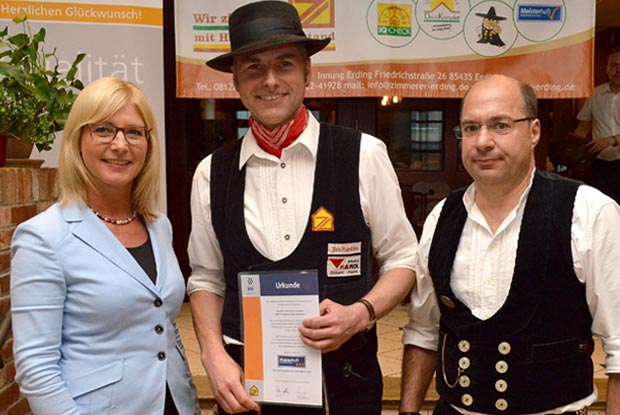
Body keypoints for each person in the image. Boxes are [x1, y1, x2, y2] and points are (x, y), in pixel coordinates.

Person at [187, 1, 417, 414]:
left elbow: (404, 258)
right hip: (247, 389)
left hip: (344, 385)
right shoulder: (211, 173)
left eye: (285, 64)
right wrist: (212, 354)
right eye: (254, 67)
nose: (270, 80)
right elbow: (206, 278)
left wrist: (361, 313)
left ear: (307, 73)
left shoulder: (363, 154)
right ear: (235, 80)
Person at [399, 74, 620, 415]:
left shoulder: (589, 212)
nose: (482, 141)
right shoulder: (441, 216)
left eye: (500, 125)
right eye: (470, 128)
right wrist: (408, 411)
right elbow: (423, 332)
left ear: (534, 132)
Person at [10, 77, 200, 415]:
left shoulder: (159, 225)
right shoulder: (43, 237)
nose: (120, 145)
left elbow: (163, 324)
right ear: (77, 140)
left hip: (175, 404)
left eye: (134, 132)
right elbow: (36, 367)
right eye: (103, 130)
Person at [572, 47, 620, 204]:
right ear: (606, 68)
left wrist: (611, 140)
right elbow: (582, 129)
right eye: (613, 65)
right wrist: (568, 154)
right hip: (601, 165)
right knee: (602, 208)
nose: (617, 71)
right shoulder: (595, 94)